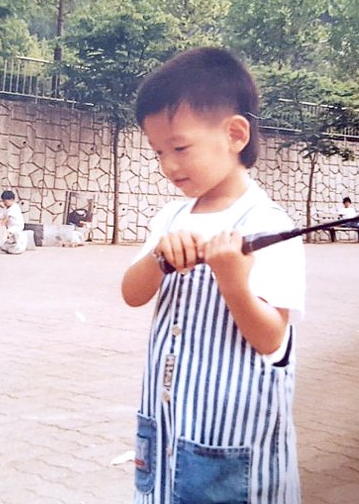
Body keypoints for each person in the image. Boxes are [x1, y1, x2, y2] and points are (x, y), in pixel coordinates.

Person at [121, 47, 305, 504]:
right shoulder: (170, 217)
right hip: (165, 428)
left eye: (180, 147)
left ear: (235, 134)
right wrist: (158, 259)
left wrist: (234, 283)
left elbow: (271, 339)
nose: (168, 165)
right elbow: (131, 293)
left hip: (232, 445)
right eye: (158, 152)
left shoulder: (270, 225)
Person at [0, 190, 28, 254]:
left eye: (6, 201)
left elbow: (7, 218)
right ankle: (8, 247)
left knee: (8, 233)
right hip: (10, 227)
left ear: (12, 200)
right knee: (9, 238)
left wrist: (0, 225)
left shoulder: (15, 207)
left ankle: (19, 246)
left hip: (17, 226)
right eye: (3, 201)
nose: (4, 203)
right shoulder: (5, 208)